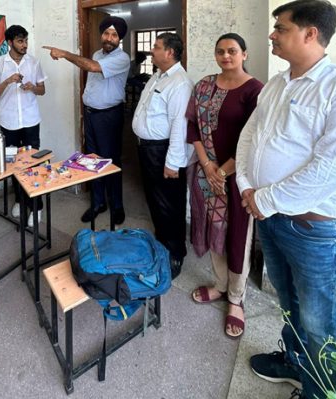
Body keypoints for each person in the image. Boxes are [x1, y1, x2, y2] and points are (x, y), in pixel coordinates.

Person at [235, 1, 336, 399]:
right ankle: (295, 362)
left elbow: (335, 167)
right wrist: (246, 185)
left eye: (281, 27)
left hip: (316, 229)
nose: (273, 34)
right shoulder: (277, 85)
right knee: (290, 304)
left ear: (311, 34)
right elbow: (249, 136)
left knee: (319, 321)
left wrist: (265, 198)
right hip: (271, 219)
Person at [186, 33, 263, 339]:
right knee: (213, 227)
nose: (226, 56)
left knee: (237, 235)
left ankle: (236, 297)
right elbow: (192, 125)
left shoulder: (256, 91)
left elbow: (255, 138)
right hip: (208, 174)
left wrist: (224, 171)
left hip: (238, 178)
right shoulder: (204, 85)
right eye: (220, 51)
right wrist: (207, 166)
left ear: (244, 54)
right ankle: (219, 285)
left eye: (232, 51)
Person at [43, 16, 130, 225]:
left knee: (111, 161)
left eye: (114, 35)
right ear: (102, 34)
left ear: (119, 39)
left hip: (109, 116)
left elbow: (92, 67)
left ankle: (116, 205)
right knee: (92, 160)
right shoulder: (97, 54)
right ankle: (98, 203)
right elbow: (93, 68)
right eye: (106, 33)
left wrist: (64, 54)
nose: (109, 38)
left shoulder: (122, 58)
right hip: (91, 114)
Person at [131, 33, 193, 279]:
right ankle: (161, 245)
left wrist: (172, 163)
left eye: (156, 47)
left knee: (170, 205)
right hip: (147, 149)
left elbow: (180, 125)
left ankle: (175, 254)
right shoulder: (158, 76)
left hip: (163, 151)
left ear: (170, 52)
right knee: (156, 201)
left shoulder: (179, 82)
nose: (152, 51)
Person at [0, 24, 47, 227]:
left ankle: (36, 207)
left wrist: (32, 87)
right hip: (9, 122)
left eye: (26, 40)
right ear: (10, 42)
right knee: (13, 163)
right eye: (20, 41)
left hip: (31, 121)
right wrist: (7, 81)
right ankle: (21, 200)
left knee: (33, 163)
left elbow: (42, 91)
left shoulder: (34, 62)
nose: (25, 45)